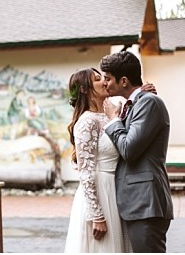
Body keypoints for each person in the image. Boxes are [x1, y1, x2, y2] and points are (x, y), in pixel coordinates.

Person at [63, 68, 157, 252]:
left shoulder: (111, 114)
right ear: (84, 89)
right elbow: (86, 171)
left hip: (116, 190)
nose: (104, 82)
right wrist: (96, 215)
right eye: (98, 79)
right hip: (100, 191)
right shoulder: (87, 121)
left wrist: (142, 94)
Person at [101, 50, 173, 253]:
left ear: (123, 81)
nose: (105, 83)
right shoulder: (133, 104)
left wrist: (114, 120)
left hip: (146, 203)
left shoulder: (149, 102)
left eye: (108, 78)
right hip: (135, 204)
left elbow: (129, 149)